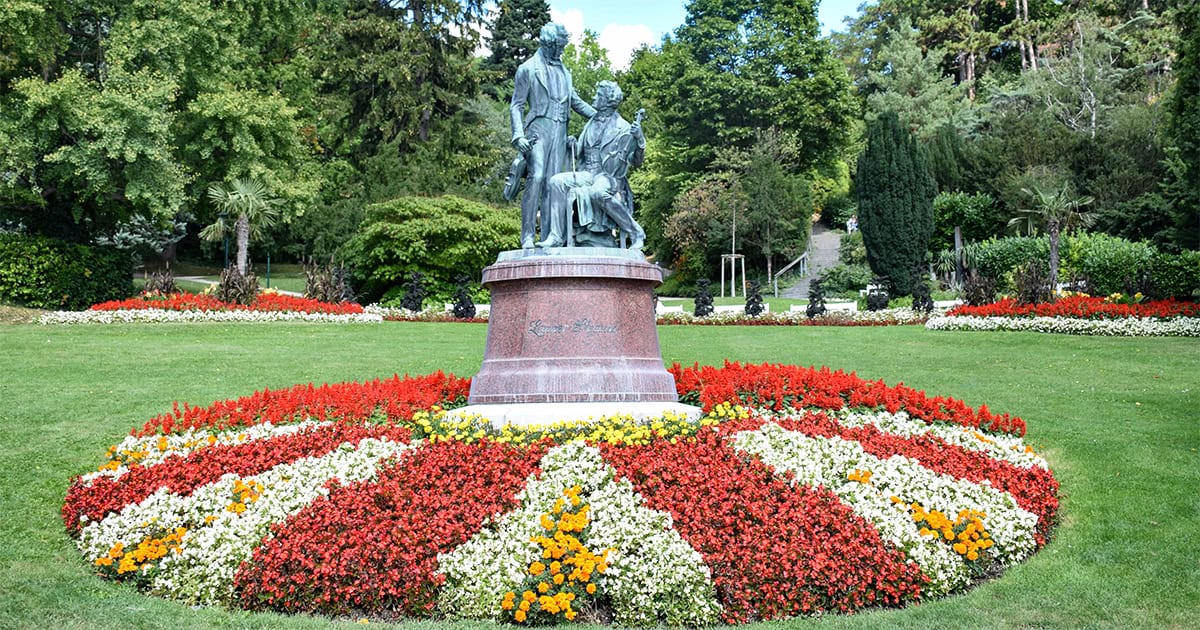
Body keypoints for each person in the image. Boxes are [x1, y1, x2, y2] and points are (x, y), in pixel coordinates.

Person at [510, 23, 596, 249]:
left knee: (553, 184)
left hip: (560, 132)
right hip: (538, 130)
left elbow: (575, 102)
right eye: (558, 46)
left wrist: (602, 116)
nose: (561, 51)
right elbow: (516, 105)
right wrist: (518, 134)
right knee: (536, 177)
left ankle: (550, 236)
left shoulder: (565, 72)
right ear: (547, 43)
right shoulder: (527, 68)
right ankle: (527, 235)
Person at [537, 81, 646, 250]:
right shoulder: (591, 121)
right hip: (587, 172)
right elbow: (583, 150)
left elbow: (636, 162)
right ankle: (556, 236)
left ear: (609, 101)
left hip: (608, 177)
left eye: (599, 95)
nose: (594, 97)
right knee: (556, 181)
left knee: (597, 192)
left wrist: (640, 140)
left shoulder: (623, 127)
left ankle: (635, 231)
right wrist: (573, 142)